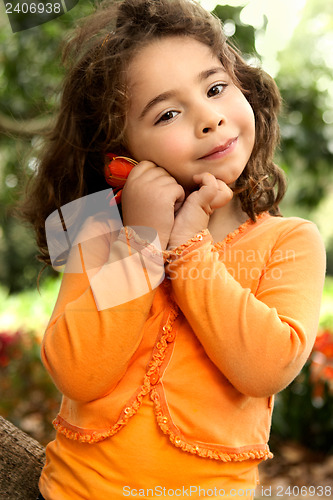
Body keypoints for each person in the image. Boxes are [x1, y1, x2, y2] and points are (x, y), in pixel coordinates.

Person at [20, 0, 326, 499]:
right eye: (167, 113)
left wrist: (187, 249)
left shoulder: (291, 240)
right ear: (122, 151)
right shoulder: (98, 226)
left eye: (215, 88)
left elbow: (267, 368)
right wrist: (140, 242)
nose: (208, 118)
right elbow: (77, 373)